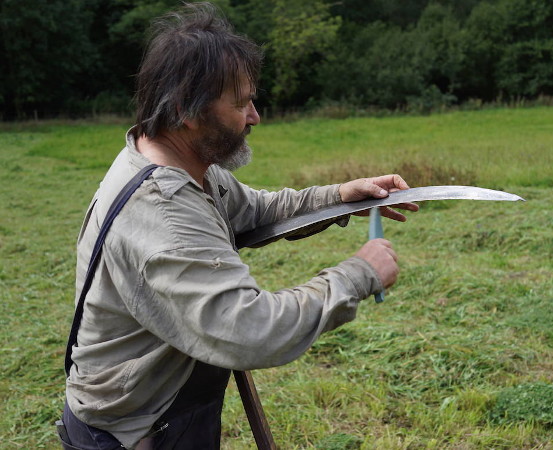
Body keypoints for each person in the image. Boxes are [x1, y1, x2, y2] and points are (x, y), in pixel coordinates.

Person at [59, 2, 418, 449]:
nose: (255, 116)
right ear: (186, 112)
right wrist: (358, 274)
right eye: (242, 103)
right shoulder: (164, 211)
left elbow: (257, 210)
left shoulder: (182, 165)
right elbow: (248, 329)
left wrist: (339, 197)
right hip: (131, 432)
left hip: (167, 412)